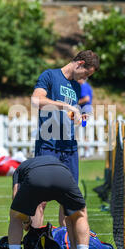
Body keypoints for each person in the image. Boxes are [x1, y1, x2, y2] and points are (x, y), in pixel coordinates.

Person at [31, 50, 100, 228]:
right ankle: (36, 247)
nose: (85, 78)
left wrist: (78, 118)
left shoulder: (76, 86)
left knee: (68, 201)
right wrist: (65, 106)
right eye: (86, 73)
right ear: (80, 64)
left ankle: (65, 245)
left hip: (69, 148)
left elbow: (70, 114)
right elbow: (36, 101)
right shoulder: (50, 75)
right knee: (40, 199)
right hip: (48, 144)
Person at [2, 155, 90, 249]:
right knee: (79, 214)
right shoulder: (57, 163)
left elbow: (15, 197)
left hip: (36, 178)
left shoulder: (20, 169)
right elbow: (69, 214)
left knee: (15, 216)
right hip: (62, 175)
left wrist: (26, 219)